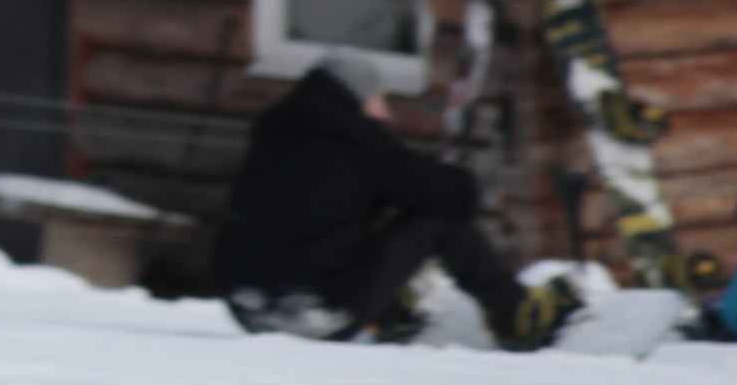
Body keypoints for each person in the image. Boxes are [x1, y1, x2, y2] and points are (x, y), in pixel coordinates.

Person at [214, 50, 579, 348]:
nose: (386, 111)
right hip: (316, 317)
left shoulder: (273, 132)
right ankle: (519, 315)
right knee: (434, 220)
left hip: (248, 308)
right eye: (380, 99)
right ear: (359, 97)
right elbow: (457, 196)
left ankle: (394, 311)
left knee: (334, 219)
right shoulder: (358, 142)